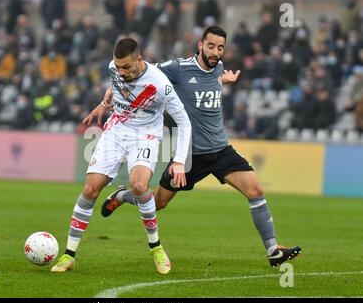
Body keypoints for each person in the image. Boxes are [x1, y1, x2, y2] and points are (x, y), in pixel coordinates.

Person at [100, 26, 301, 268]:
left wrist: (221, 80)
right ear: (200, 45)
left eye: (220, 47)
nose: (216, 52)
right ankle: (122, 195)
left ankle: (272, 250)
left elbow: (207, 86)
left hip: (220, 150)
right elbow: (140, 73)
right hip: (190, 156)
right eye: (211, 46)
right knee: (157, 202)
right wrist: (114, 89)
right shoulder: (178, 68)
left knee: (255, 190)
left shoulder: (217, 69)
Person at [51, 38, 192, 274]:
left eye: (126, 67)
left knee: (139, 185)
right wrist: (103, 105)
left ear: (140, 60)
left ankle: (155, 247)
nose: (121, 71)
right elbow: (118, 89)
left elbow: (184, 122)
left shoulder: (160, 84)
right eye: (118, 67)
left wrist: (178, 161)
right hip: (116, 130)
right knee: (90, 189)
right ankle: (69, 255)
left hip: (145, 135)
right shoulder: (114, 68)